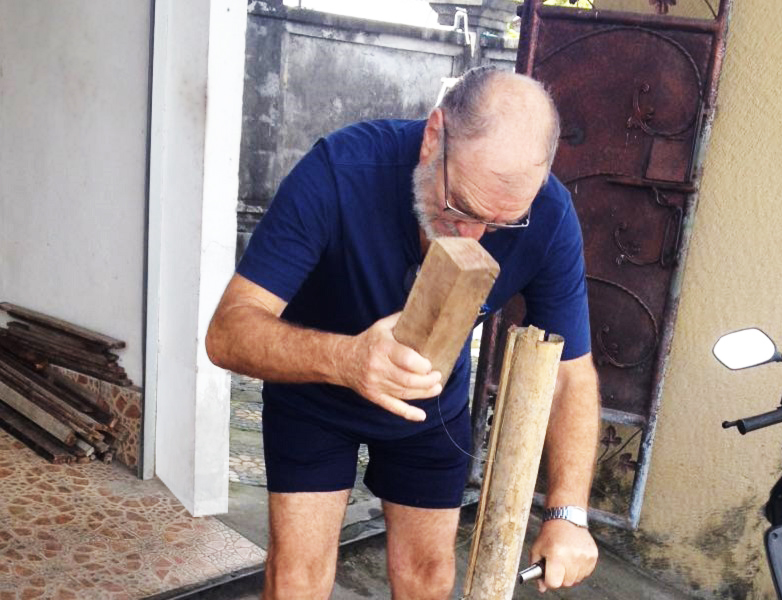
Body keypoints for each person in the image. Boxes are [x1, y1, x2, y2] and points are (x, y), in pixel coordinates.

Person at [206, 66, 600, 599]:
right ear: (433, 137)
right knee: (296, 577)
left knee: (428, 577)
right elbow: (228, 332)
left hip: (431, 405)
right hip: (315, 393)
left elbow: (570, 374)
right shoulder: (340, 170)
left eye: (502, 222)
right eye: (461, 207)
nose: (475, 234)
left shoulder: (549, 217)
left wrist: (568, 513)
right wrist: (347, 360)